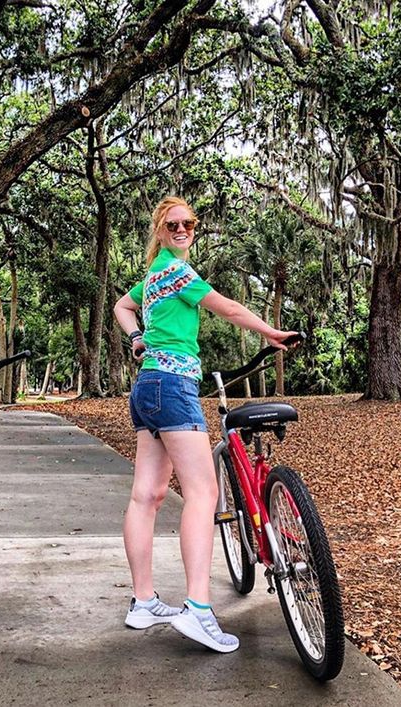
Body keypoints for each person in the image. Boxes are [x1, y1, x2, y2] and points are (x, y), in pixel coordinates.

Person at [114, 196, 296, 653]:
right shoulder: (174, 270)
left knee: (148, 495)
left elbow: (122, 306)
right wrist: (269, 332)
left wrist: (137, 338)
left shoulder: (152, 277)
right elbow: (226, 307)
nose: (181, 230)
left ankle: (142, 602)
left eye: (188, 224)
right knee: (203, 493)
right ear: (160, 230)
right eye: (172, 223)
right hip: (173, 385)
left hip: (147, 385)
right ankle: (197, 609)